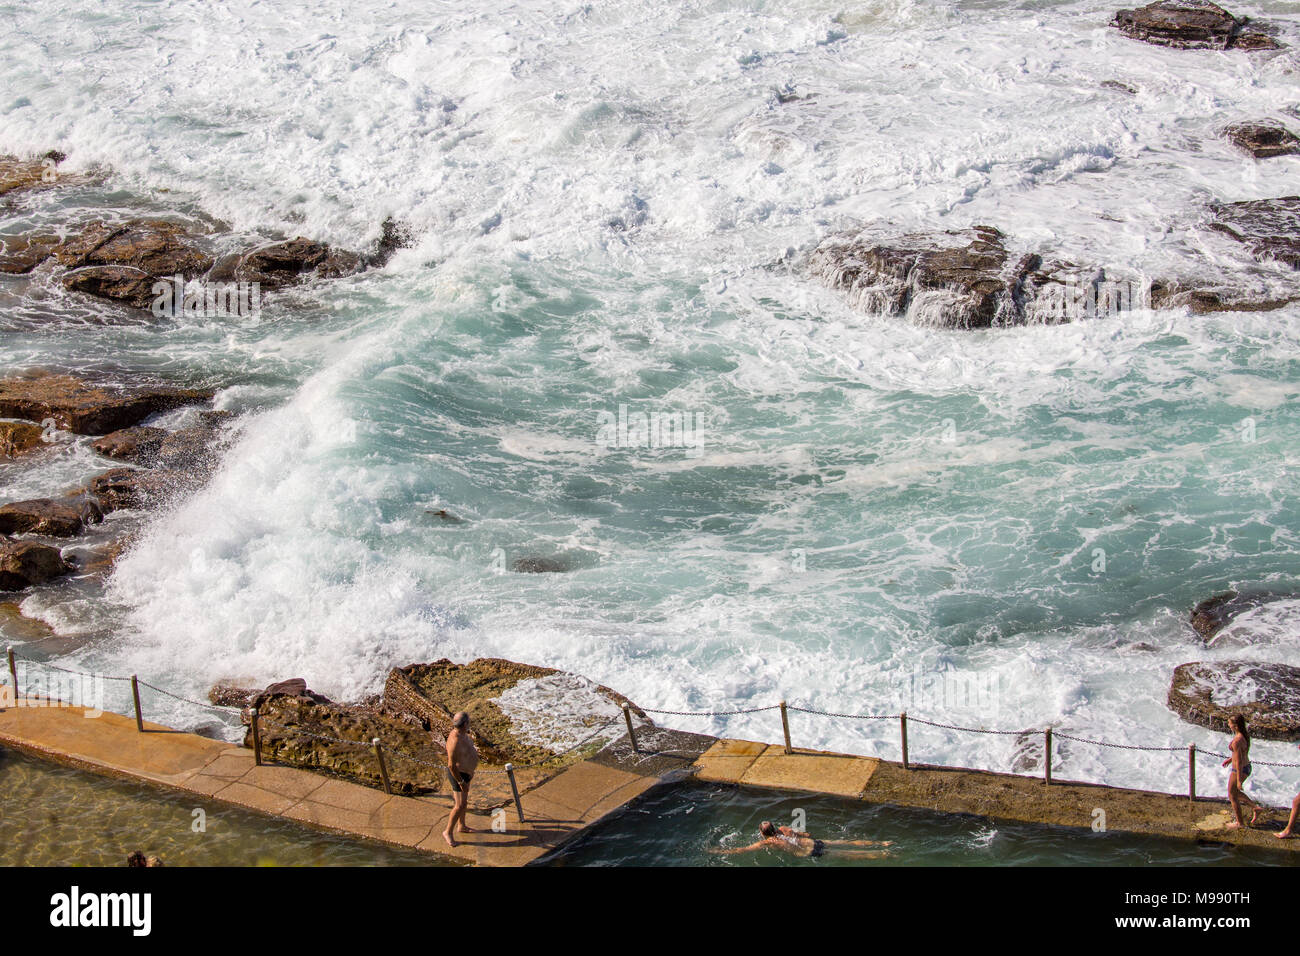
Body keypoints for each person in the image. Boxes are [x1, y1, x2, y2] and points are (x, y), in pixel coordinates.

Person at [710, 820, 892, 859]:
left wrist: (721, 851)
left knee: (846, 854)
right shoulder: (785, 829)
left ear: (763, 833)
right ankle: (882, 843)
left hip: (809, 852)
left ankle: (882, 854)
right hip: (814, 843)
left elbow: (741, 850)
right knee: (847, 843)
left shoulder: (768, 842)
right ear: (774, 827)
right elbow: (805, 834)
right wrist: (804, 836)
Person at [442, 711, 479, 847]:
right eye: (468, 722)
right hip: (458, 775)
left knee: (464, 802)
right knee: (459, 806)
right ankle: (448, 832)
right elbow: (451, 765)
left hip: (467, 773)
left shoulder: (464, 734)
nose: (469, 724)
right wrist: (461, 782)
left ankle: (462, 825)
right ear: (464, 724)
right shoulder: (454, 740)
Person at [1222, 714, 1261, 829]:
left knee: (1232, 795)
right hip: (1246, 766)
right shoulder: (1244, 735)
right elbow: (1241, 753)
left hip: (1239, 769)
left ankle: (1240, 823)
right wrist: (1230, 759)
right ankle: (1255, 808)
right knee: (1234, 793)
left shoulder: (1237, 741)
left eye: (1229, 723)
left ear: (1236, 726)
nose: (1228, 725)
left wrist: (1239, 781)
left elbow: (1238, 762)